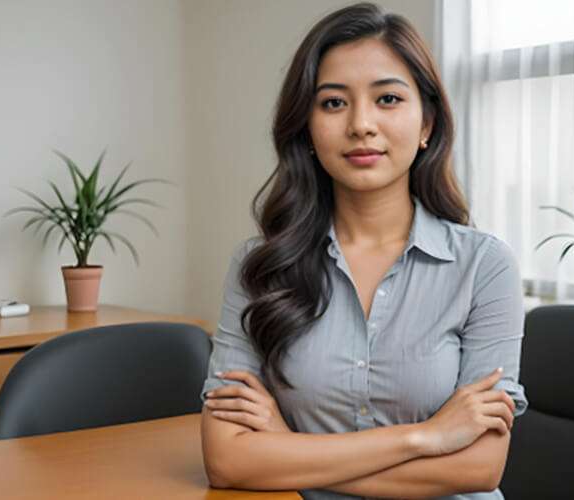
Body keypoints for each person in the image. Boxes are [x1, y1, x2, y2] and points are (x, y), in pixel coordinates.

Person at [200, 3, 528, 499]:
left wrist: (287, 448)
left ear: (426, 125)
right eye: (333, 103)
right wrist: (427, 436)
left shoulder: (484, 267)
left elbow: (478, 469)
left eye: (388, 99)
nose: (361, 124)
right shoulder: (260, 268)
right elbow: (226, 460)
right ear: (306, 128)